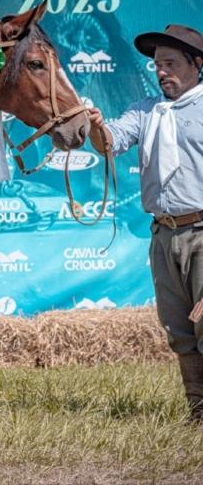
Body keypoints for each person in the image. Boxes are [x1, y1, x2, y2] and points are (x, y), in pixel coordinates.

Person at [88, 24, 203, 423]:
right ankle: (197, 412)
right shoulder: (145, 110)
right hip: (163, 234)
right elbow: (110, 142)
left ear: (197, 65)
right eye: (157, 65)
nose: (162, 72)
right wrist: (96, 124)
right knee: (179, 330)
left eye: (171, 64)